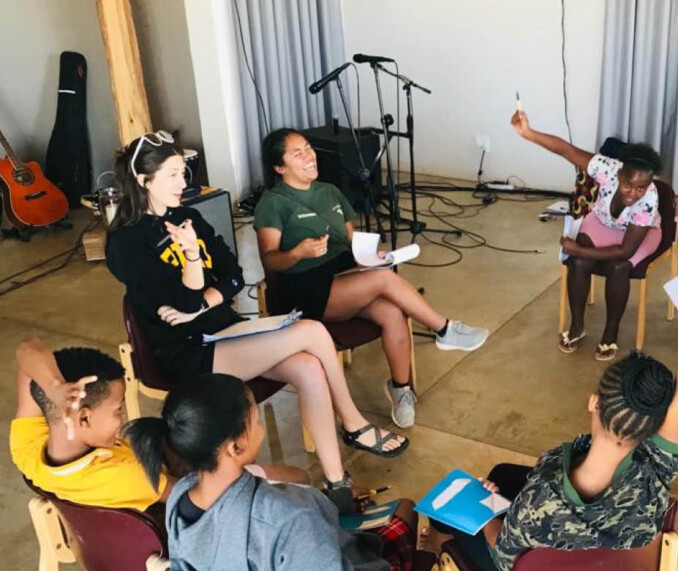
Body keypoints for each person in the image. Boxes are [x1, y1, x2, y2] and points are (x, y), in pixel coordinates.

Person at [422, 248, 678, 571]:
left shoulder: (539, 503)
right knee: (502, 472)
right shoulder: (658, 468)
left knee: (449, 523)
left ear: (594, 402)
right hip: (618, 556)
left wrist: (486, 520)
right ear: (654, 426)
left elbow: (505, 557)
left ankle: (434, 545)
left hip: (532, 552)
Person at [105, 132, 406, 506]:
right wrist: (195, 265)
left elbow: (234, 275)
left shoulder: (188, 216)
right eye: (172, 176)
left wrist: (203, 304)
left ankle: (337, 483)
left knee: (309, 367)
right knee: (311, 331)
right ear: (142, 180)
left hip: (222, 330)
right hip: (188, 353)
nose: (184, 184)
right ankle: (354, 423)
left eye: (184, 173)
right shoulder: (125, 243)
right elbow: (179, 299)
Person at [254, 128, 490, 428]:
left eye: (309, 148)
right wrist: (299, 251)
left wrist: (371, 256)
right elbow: (270, 259)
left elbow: (351, 244)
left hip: (343, 278)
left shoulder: (330, 192)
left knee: (392, 311)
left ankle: (401, 389)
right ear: (279, 167)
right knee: (384, 281)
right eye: (297, 153)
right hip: (303, 290)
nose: (309, 156)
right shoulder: (273, 203)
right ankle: (444, 329)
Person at [126, 373, 419, 570]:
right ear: (236, 446)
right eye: (255, 419)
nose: (261, 428)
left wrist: (329, 504)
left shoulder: (180, 496)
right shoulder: (292, 520)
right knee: (405, 509)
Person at [511, 110, 664, 361]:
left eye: (641, 188)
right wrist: (528, 133)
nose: (633, 193)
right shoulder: (606, 168)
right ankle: (577, 326)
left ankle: (610, 333)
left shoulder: (648, 200)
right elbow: (565, 150)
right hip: (603, 222)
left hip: (639, 235)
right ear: (619, 173)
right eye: (628, 184)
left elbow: (625, 250)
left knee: (619, 266)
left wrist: (578, 249)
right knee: (579, 263)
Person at [10, 339, 170, 511]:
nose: (123, 418)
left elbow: (26, 351)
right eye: (118, 409)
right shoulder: (127, 477)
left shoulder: (27, 449)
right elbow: (195, 496)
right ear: (84, 418)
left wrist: (54, 386)